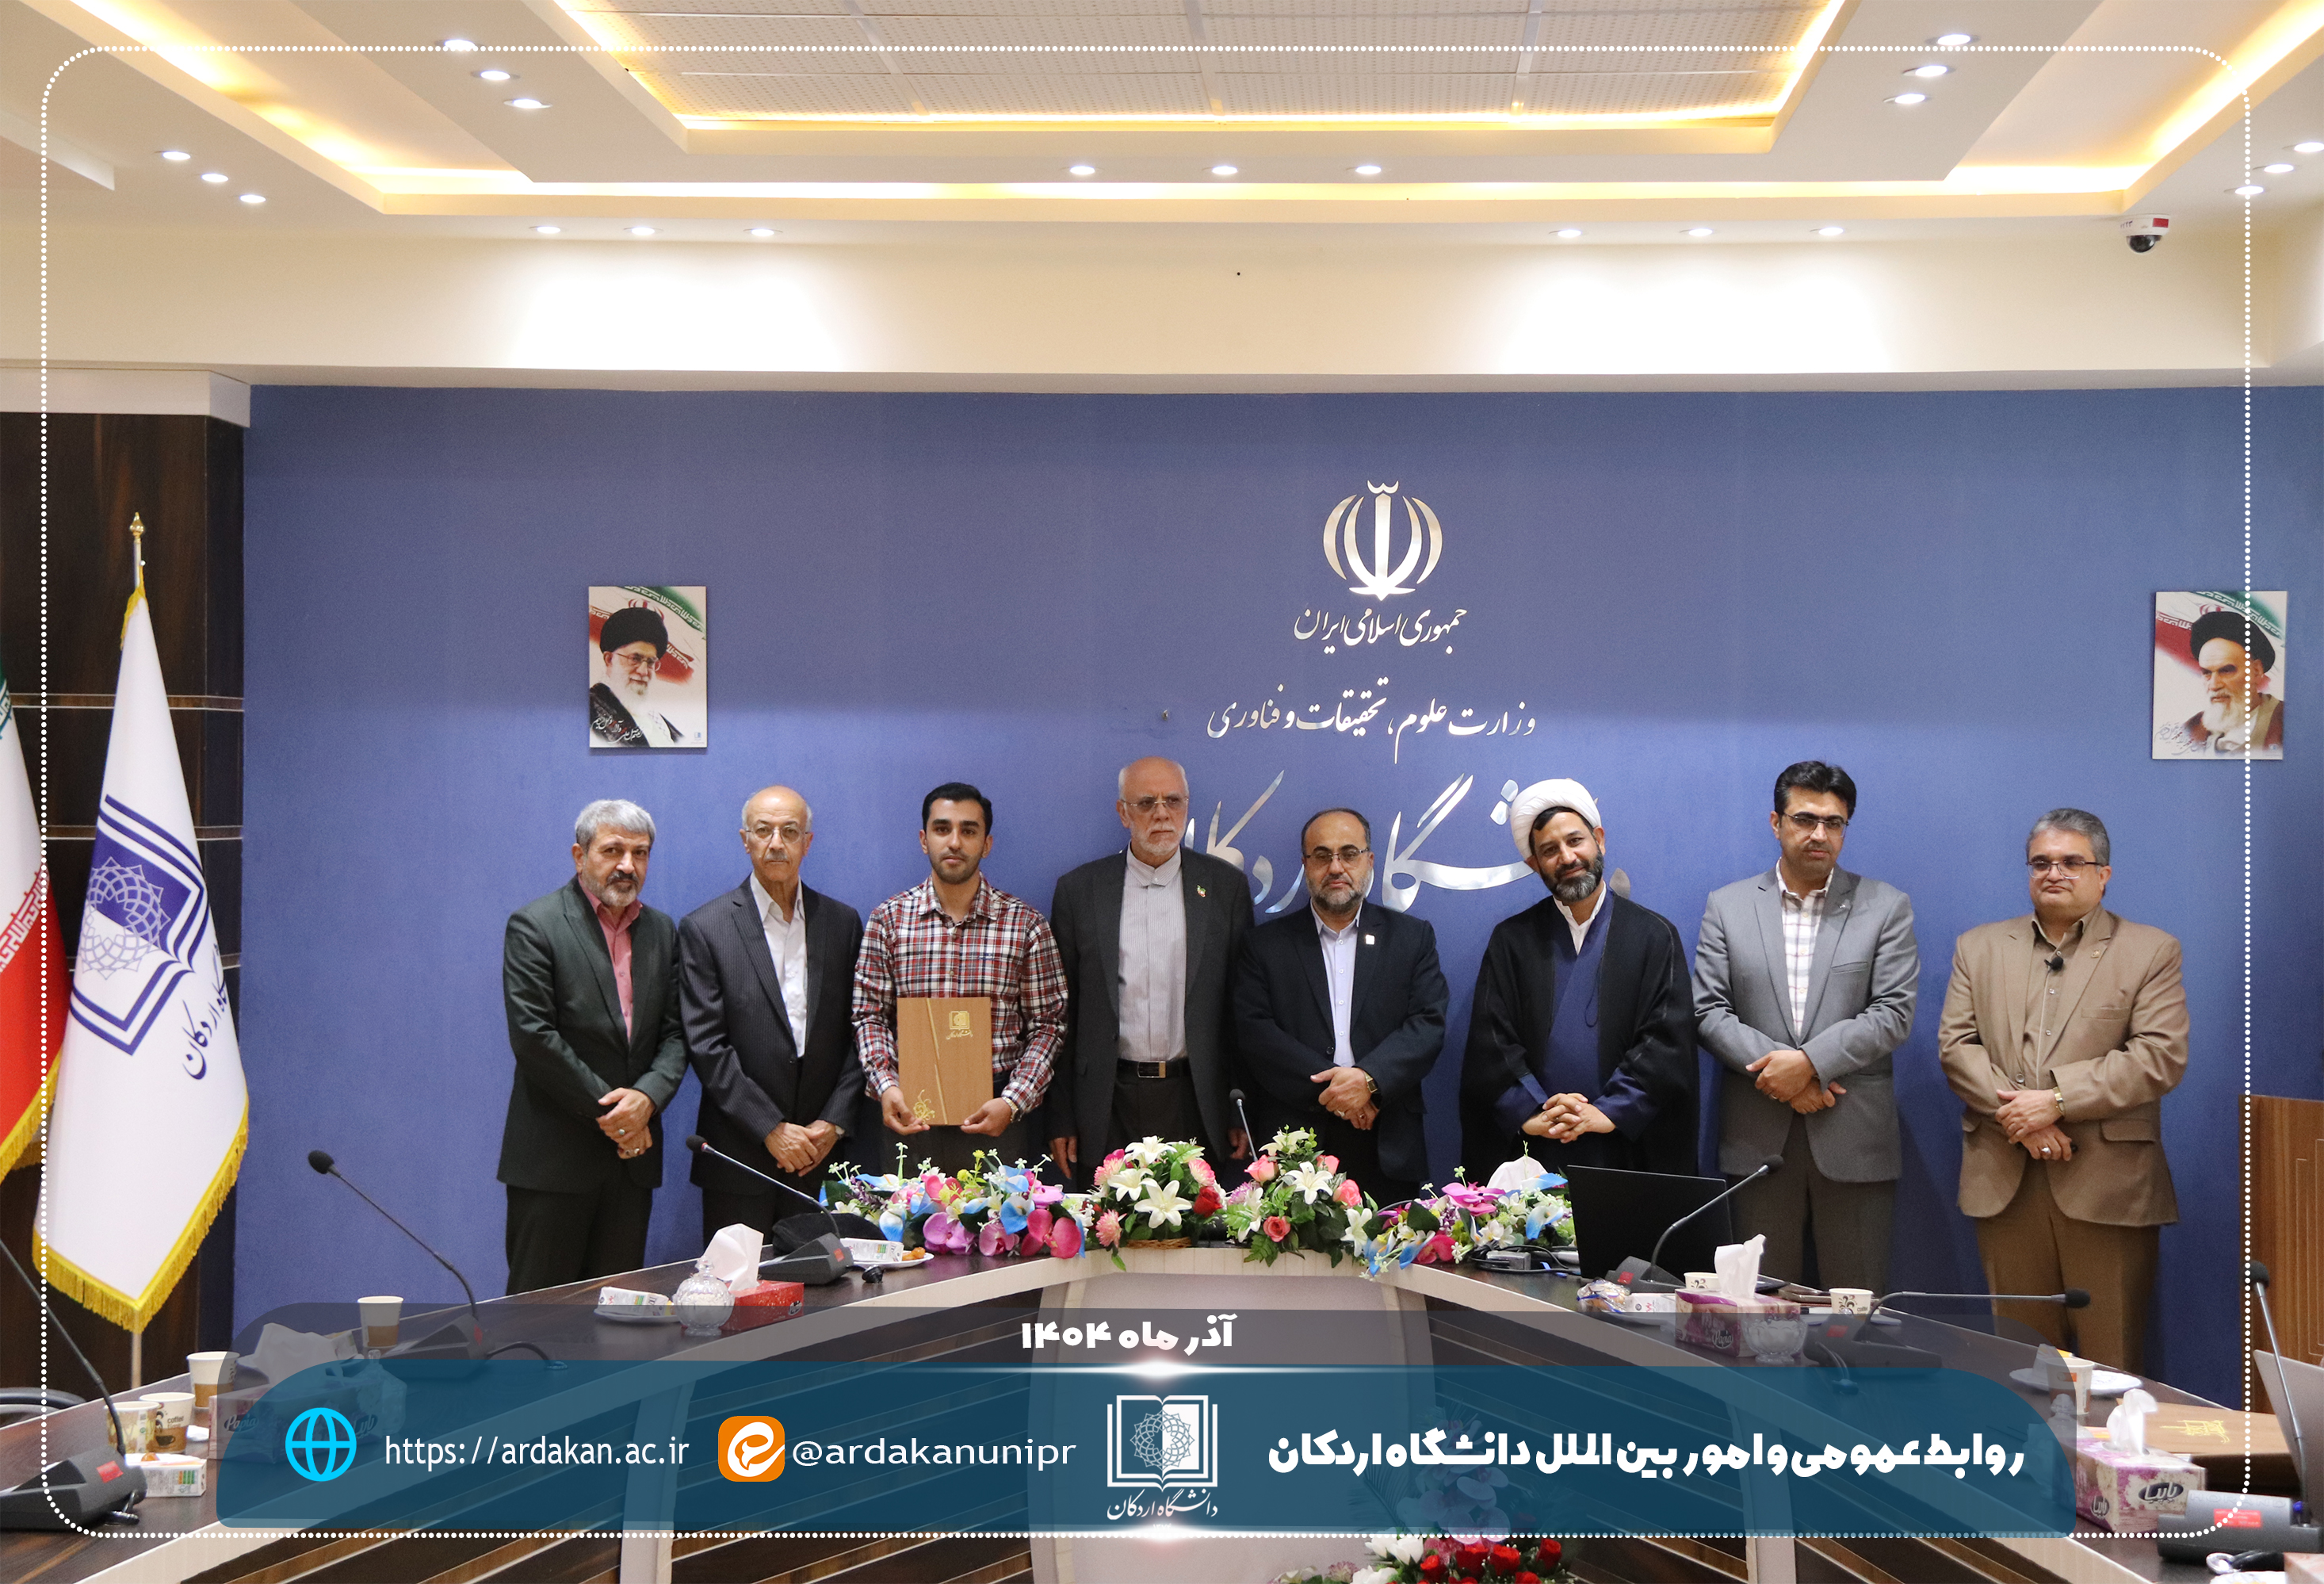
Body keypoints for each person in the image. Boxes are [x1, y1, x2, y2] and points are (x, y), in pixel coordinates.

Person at [1937, 809, 2188, 1372]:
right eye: (2041, 863)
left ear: (2104, 874)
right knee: (2020, 1360)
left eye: (2072, 862)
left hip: (2107, 1184)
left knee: (2110, 1364)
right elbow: (1957, 1048)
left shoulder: (2149, 950)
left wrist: (2054, 1101)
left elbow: (2159, 1056)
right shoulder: (1979, 947)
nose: (2055, 873)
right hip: (2004, 1176)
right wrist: (2021, 1118)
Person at [1692, 761, 1918, 1292]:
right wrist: (1783, 1077)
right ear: (1776, 823)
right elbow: (1708, 1011)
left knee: (1855, 1308)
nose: (1820, 834)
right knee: (1760, 1307)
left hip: (1854, 1137)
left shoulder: (1886, 906)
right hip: (1758, 1138)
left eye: (1834, 823)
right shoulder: (1728, 906)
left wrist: (1810, 1065)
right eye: (1805, 819)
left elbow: (1893, 1011)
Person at [1459, 779, 1695, 1184]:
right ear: (1534, 864)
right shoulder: (1512, 940)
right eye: (1550, 850)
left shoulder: (1654, 935)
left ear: (1598, 840)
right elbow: (1491, 1040)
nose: (1567, 858)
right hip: (1538, 1143)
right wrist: (1532, 1110)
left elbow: (1666, 1039)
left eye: (1575, 841)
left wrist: (1609, 1110)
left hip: (1625, 1143)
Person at [498, 799, 689, 1294]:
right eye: (613, 850)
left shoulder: (661, 930)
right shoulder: (535, 924)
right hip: (555, 1162)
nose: (628, 865)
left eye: (640, 853)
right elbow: (534, 1038)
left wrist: (646, 1099)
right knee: (539, 1316)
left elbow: (676, 1034)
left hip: (631, 1167)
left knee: (618, 1316)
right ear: (579, 855)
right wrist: (620, 1117)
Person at [1046, 757, 1254, 1186]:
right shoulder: (1079, 891)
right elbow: (1064, 1013)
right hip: (1108, 1101)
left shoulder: (1225, 888)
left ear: (1187, 807)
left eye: (1173, 801)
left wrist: (1239, 1107)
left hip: (1196, 1098)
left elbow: (1241, 1005)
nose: (1162, 814)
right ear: (1123, 813)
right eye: (1146, 803)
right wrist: (1062, 1114)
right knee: (1109, 1224)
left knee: (1196, 1224)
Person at [678, 786, 865, 1244]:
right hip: (739, 1159)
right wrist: (770, 1128)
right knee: (740, 1286)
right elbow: (707, 1045)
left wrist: (833, 1123)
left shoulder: (842, 923)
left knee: (826, 1285)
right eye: (763, 831)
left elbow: (863, 1030)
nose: (776, 843)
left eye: (790, 831)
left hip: (822, 1157)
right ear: (746, 840)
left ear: (807, 842)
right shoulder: (706, 928)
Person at [1232, 808, 1446, 1204]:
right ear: (1305, 865)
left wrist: (1369, 1081)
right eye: (1322, 855)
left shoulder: (1412, 938)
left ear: (1370, 861)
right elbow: (1256, 1032)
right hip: (1296, 1143)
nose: (1336, 867)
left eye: (1349, 854)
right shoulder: (1265, 946)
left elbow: (1427, 1024)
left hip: (1386, 1137)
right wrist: (1339, 1092)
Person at [852, 782, 1067, 1177]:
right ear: (924, 840)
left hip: (998, 1113)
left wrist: (1014, 1101)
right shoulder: (888, 921)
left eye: (968, 831)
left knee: (998, 1219)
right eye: (942, 829)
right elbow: (869, 1016)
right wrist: (886, 1086)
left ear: (986, 844)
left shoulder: (1026, 925)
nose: (954, 842)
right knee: (912, 1218)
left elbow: (1049, 1024)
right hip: (909, 1111)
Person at [2182, 609, 2283, 755]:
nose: (2214, 685)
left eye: (2226, 671)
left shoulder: (2288, 723)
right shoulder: (2192, 729)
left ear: (2256, 671)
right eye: (2207, 673)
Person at [590, 605, 693, 747]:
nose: (644, 671)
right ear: (609, 660)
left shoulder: (656, 719)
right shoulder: (589, 710)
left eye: (650, 662)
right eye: (635, 659)